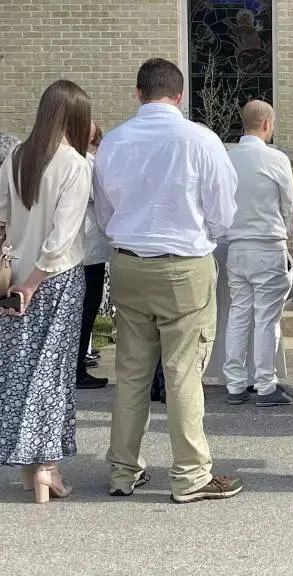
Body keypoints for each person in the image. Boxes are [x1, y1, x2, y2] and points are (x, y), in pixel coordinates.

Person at [94, 58, 243, 503]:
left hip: (129, 261)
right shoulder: (201, 139)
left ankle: (123, 469)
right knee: (182, 371)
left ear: (138, 93)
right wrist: (203, 235)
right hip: (183, 264)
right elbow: (223, 211)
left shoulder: (114, 141)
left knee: (131, 372)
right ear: (180, 95)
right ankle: (191, 474)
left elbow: (104, 210)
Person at [0, 80, 92, 503]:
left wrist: (16, 279)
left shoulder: (17, 156)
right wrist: (34, 283)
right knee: (51, 375)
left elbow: (2, 217)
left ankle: (25, 466)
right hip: (56, 279)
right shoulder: (74, 164)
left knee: (19, 370)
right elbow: (61, 238)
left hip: (14, 275)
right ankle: (46, 468)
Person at [223, 100, 293, 407]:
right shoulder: (275, 158)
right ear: (267, 124)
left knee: (239, 314)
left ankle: (234, 383)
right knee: (267, 319)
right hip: (267, 245)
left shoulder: (227, 158)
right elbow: (291, 206)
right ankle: (266, 384)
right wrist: (288, 233)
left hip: (236, 246)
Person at [77, 122, 111, 390]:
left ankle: (77, 364)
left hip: (83, 247)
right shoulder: (87, 165)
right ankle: (78, 367)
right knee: (87, 307)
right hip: (89, 248)